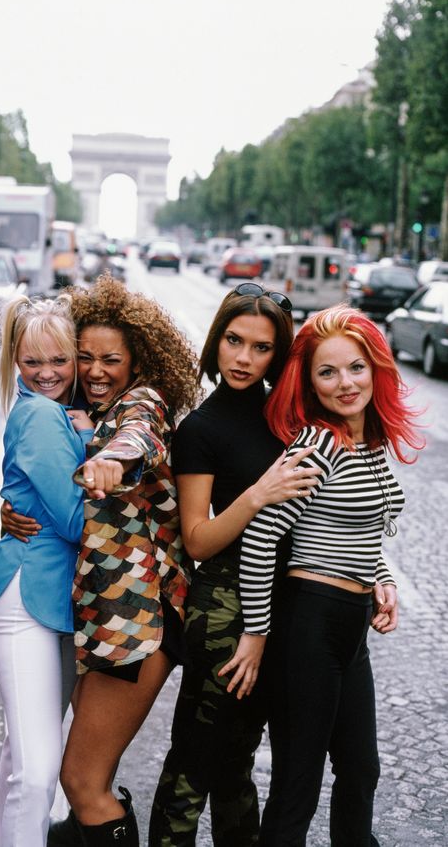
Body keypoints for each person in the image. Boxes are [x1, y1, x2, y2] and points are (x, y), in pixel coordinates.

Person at [2, 275, 200, 847]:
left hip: (139, 622)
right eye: (83, 357)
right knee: (90, 776)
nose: (93, 371)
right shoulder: (83, 409)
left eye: (110, 359)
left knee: (81, 780)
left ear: (138, 361)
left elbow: (139, 437)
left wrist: (112, 458)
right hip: (108, 619)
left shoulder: (143, 403)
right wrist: (8, 508)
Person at [222, 304, 422, 846]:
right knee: (298, 784)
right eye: (327, 372)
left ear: (376, 367)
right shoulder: (319, 446)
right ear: (308, 382)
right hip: (308, 623)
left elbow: (362, 534)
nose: (345, 383)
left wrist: (382, 579)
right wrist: (257, 634)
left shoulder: (370, 441)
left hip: (350, 626)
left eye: (356, 367)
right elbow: (263, 537)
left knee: (361, 771)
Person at [148, 283, 322, 847]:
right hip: (223, 611)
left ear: (280, 353)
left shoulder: (291, 420)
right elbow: (197, 540)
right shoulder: (200, 429)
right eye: (234, 340)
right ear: (216, 341)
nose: (244, 358)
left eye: (261, 347)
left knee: (236, 764)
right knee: (195, 763)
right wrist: (256, 494)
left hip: (287, 605)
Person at [0, 294, 94, 846]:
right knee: (39, 770)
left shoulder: (51, 409)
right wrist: (92, 439)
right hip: (28, 598)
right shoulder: (42, 413)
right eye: (32, 361)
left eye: (59, 361)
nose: (46, 373)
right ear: (14, 359)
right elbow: (73, 517)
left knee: (25, 755)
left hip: (48, 598)